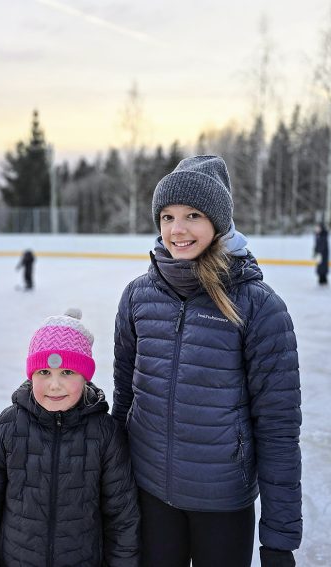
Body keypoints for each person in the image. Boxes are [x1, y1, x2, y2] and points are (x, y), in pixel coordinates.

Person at [113, 155, 302, 567]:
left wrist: (279, 540)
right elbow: (125, 400)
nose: (177, 230)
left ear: (219, 221)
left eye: (193, 215)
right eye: (167, 216)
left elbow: (278, 428)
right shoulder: (137, 297)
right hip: (148, 494)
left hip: (222, 503)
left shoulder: (258, 306)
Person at [0, 309, 140, 567]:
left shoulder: (104, 433)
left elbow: (122, 520)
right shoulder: (8, 427)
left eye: (67, 372)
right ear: (30, 374)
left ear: (85, 377)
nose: (55, 385)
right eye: (44, 372)